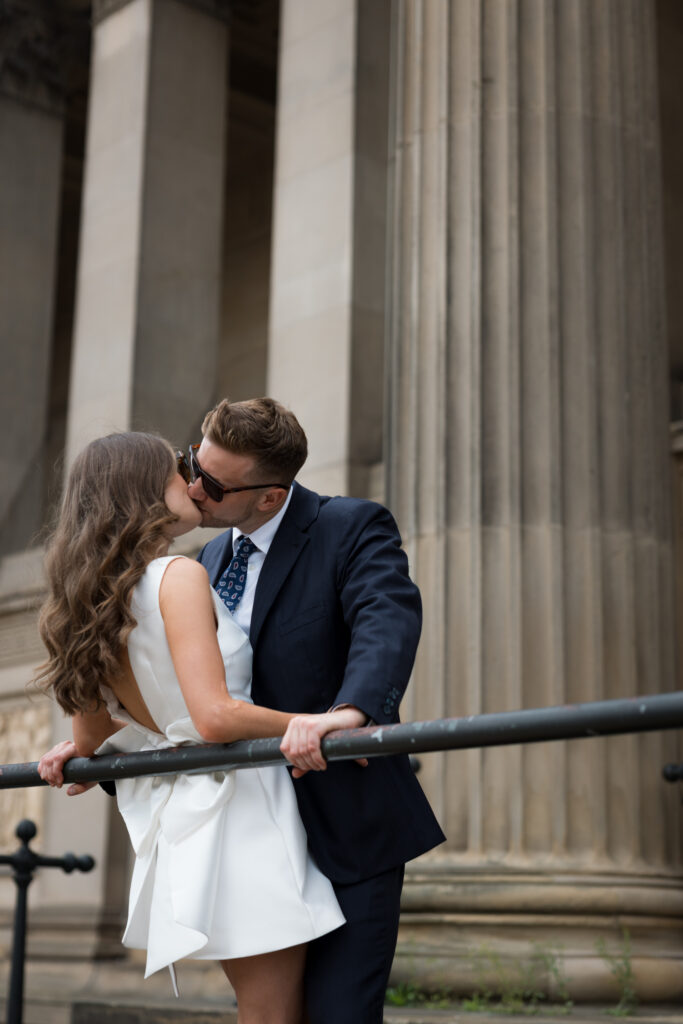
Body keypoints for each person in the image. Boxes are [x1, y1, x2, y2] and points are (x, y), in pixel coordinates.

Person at [41, 398, 446, 1023]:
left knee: (339, 1013)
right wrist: (97, 745)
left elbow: (384, 622)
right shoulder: (194, 565)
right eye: (190, 465)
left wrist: (351, 715)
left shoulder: (350, 526)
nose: (195, 488)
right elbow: (192, 705)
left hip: (343, 816)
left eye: (213, 482)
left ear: (268, 496)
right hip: (248, 825)